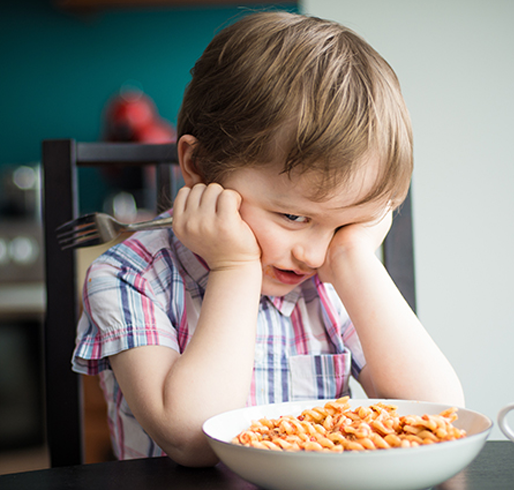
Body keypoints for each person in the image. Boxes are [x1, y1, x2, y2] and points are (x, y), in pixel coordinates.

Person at [73, 11, 464, 466]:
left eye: (343, 225)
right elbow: (192, 440)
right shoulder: (130, 277)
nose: (315, 254)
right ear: (198, 168)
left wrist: (357, 258)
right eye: (294, 216)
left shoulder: (335, 276)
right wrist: (233, 268)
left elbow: (438, 416)